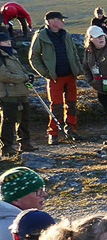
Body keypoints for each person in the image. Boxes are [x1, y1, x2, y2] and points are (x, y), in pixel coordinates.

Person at [28, 12, 83, 144]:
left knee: (72, 105)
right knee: (56, 106)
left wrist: (78, 68)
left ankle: (71, 130)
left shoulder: (66, 34)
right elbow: (33, 57)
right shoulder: (40, 36)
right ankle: (53, 133)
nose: (63, 22)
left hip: (70, 75)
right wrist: (46, 74)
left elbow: (74, 52)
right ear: (51, 21)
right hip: (54, 78)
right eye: (61, 19)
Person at [0, 31, 34, 156]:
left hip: (21, 91)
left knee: (25, 118)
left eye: (8, 41)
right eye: (5, 42)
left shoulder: (12, 54)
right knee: (9, 120)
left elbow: (21, 70)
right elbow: (4, 76)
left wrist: (28, 78)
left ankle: (25, 142)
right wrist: (24, 78)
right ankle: (6, 147)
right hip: (8, 94)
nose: (8, 43)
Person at [0, 166, 47, 240]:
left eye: (43, 189)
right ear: (16, 199)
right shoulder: (15, 227)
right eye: (38, 191)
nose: (44, 194)